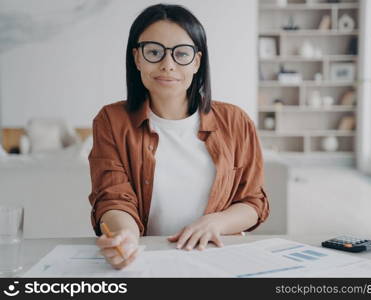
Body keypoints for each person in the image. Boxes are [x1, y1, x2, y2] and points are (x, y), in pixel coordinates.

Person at [89, 3, 269, 270]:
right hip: (146, 262)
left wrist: (216, 222)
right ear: (137, 58)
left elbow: (253, 202)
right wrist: (125, 238)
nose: (168, 65)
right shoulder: (111, 120)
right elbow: (113, 197)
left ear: (197, 61)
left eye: (181, 54)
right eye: (154, 52)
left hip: (218, 261)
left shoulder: (236, 121)